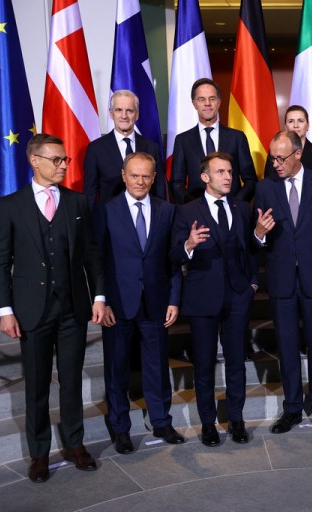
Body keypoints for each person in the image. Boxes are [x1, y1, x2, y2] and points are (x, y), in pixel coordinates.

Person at [0, 134, 105, 483]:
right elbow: (0, 264)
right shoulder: (11, 205)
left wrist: (99, 297)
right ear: (34, 160)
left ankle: (75, 445)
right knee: (37, 386)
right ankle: (39, 454)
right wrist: (5, 310)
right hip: (31, 312)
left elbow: (91, 255)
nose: (62, 166)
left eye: (65, 160)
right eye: (56, 160)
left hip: (72, 309)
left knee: (71, 382)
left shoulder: (77, 202)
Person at [253, 130, 312, 435]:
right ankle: (292, 408)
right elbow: (258, 242)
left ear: (297, 154)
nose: (276, 164)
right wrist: (259, 233)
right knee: (287, 347)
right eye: (272, 158)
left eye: (281, 158)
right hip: (281, 282)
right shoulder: (265, 188)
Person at [93, 152, 184, 454]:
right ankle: (120, 429)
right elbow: (99, 261)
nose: (140, 181)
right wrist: (101, 300)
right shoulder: (106, 210)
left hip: (156, 303)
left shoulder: (167, 211)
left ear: (154, 178)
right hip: (117, 305)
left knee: (157, 367)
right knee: (117, 369)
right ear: (123, 176)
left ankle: (161, 421)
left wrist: (173, 299)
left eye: (146, 176)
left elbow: (173, 260)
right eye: (135, 175)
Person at [171, 152, 258, 447]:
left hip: (237, 297)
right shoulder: (186, 211)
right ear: (205, 177)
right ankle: (208, 423)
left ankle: (236, 420)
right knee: (204, 364)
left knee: (236, 362)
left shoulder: (242, 208)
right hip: (202, 297)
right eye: (220, 172)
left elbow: (250, 250)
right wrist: (189, 244)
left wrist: (253, 284)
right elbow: (173, 254)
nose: (228, 177)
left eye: (230, 172)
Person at [171, 78, 257, 203]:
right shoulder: (182, 140)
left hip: (232, 212)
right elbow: (176, 183)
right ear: (194, 104)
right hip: (197, 214)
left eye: (212, 99)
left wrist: (235, 205)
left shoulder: (237, 138)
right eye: (201, 99)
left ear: (219, 102)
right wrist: (194, 208)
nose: (207, 103)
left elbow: (251, 181)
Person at [83, 90, 167, 204]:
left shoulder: (152, 148)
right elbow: (90, 194)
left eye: (129, 111)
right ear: (111, 113)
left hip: (144, 218)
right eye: (118, 110)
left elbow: (160, 190)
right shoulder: (95, 149)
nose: (124, 116)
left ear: (137, 114)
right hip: (109, 218)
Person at [263, 105, 312, 180]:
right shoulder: (275, 153)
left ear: (308, 126)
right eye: (291, 121)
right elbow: (269, 182)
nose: (296, 125)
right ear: (285, 127)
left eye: (300, 121)